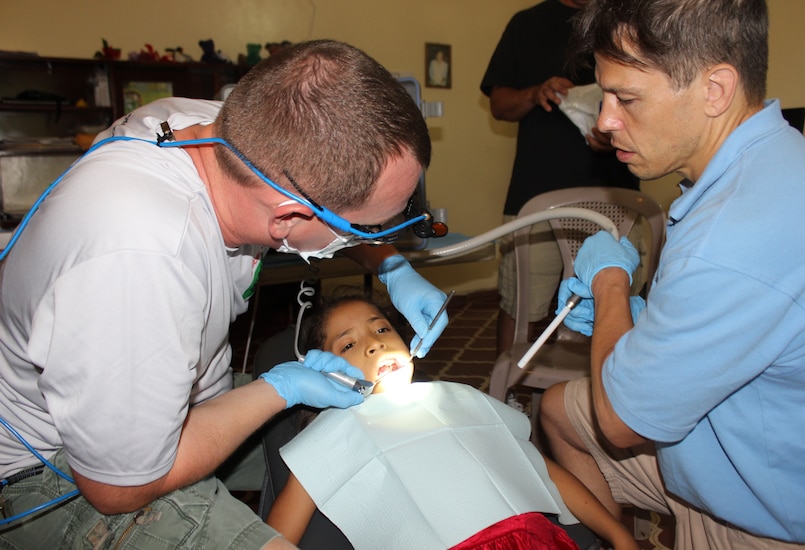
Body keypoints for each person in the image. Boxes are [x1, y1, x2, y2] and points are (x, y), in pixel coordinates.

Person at [0, 40, 450, 548]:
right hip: (48, 470)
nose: (372, 241)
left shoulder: (223, 128)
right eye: (365, 231)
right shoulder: (140, 263)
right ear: (285, 217)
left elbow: (324, 202)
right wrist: (279, 390)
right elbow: (116, 488)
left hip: (171, 389)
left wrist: (391, 265)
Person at [539, 1, 805, 548]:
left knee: (600, 414)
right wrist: (650, 324)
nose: (604, 120)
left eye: (626, 98)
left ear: (714, 90)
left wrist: (609, 284)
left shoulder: (731, 238)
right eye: (604, 95)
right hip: (737, 440)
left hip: (765, 511)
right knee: (557, 410)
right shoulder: (774, 161)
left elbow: (622, 422)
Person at [264, 292, 639, 550]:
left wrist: (617, 534)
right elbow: (279, 533)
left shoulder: (461, 397)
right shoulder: (333, 432)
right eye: (348, 344)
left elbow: (541, 470)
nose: (374, 343)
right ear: (327, 371)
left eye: (381, 329)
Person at [480, 0, 639, 356]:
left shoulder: (630, 21)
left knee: (615, 304)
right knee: (522, 303)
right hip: (538, 191)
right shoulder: (527, 24)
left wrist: (616, 136)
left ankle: (604, 394)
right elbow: (499, 104)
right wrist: (535, 94)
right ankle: (506, 392)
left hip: (616, 197)